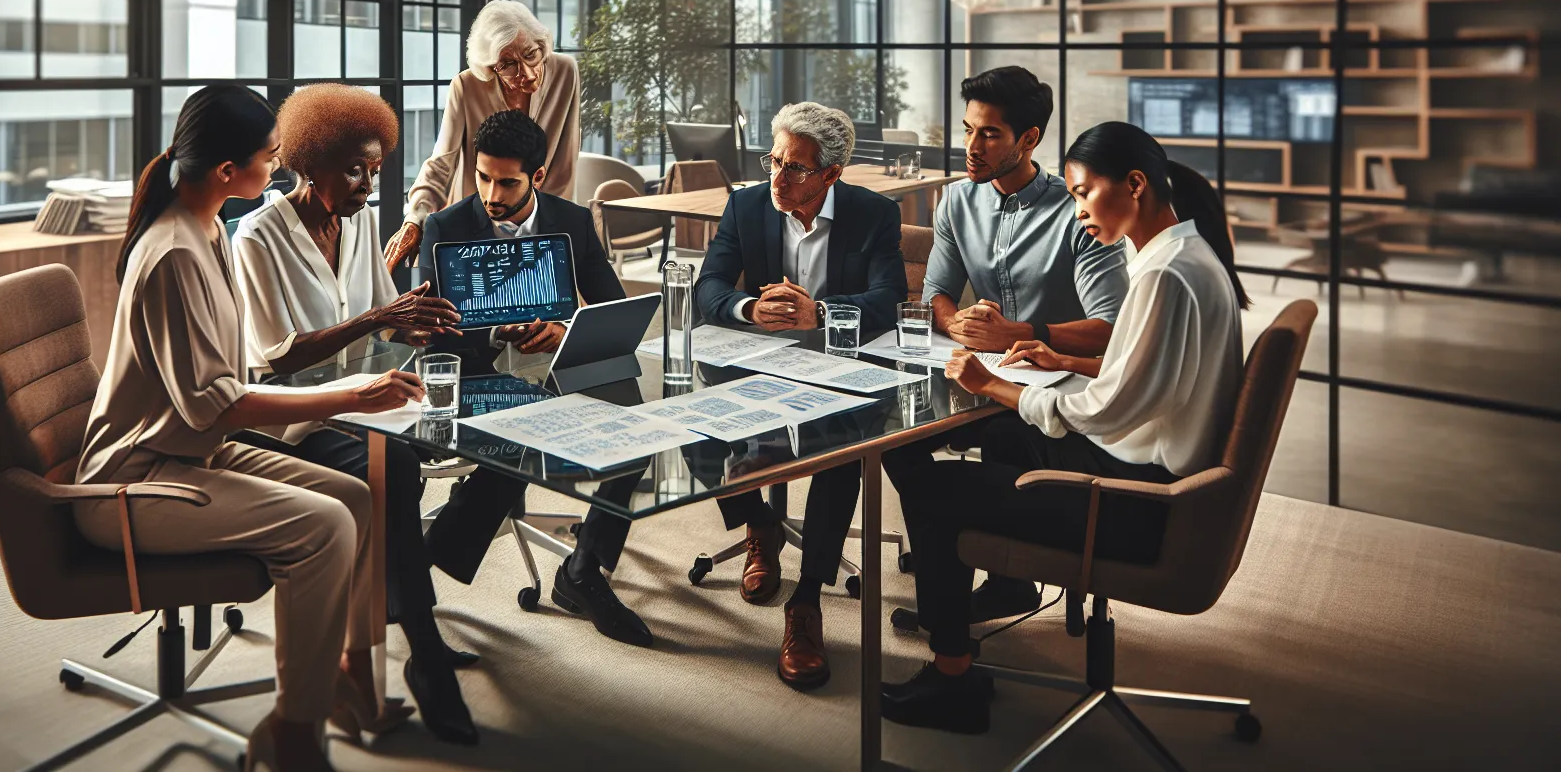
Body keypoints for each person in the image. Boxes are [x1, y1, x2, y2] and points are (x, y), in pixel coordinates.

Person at [72, 84, 426, 772]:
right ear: (230, 172)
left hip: (193, 454)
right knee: (324, 528)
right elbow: (220, 404)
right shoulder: (175, 250)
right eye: (270, 156)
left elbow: (215, 402)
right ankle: (292, 734)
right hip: (135, 477)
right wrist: (350, 393)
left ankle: (336, 684)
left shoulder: (203, 225)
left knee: (356, 498)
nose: (278, 165)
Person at [881, 121, 1249, 735]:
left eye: (1083, 193)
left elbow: (1108, 410)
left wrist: (993, 385)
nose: (1077, 211)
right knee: (1001, 437)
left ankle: (951, 683)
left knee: (932, 490)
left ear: (1134, 184)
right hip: (1156, 476)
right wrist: (1063, 361)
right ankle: (1006, 585)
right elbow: (1147, 370)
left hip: (1139, 502)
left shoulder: (1163, 276)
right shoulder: (1184, 254)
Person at [230, 83, 479, 746]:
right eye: (353, 170)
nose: (368, 183)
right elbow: (275, 357)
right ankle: (425, 653)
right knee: (396, 469)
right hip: (293, 421)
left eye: (375, 168)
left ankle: (389, 627)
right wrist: (379, 319)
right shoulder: (256, 237)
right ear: (307, 165)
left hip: (366, 404)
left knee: (456, 437)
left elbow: (384, 315)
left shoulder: (362, 220)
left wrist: (417, 326)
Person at [895, 66, 1130, 625]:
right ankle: (957, 555)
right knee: (898, 441)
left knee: (1001, 439)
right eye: (968, 130)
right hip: (981, 375)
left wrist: (1021, 333)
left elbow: (1113, 326)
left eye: (989, 134)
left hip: (1057, 385)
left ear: (1029, 139)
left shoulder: (1077, 211)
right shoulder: (956, 202)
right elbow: (937, 295)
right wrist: (959, 326)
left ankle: (987, 577)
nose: (971, 147)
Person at [415, 110, 654, 649]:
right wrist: (497, 328)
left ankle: (583, 570)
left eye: (507, 181)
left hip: (555, 366)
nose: (491, 193)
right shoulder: (445, 227)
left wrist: (563, 328)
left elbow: (613, 308)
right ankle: (425, 561)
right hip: (477, 373)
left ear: (538, 177)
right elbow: (433, 338)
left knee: (638, 427)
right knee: (527, 430)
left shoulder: (571, 221)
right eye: (482, 177)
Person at [692, 101, 907, 691]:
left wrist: (824, 312)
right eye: (774, 161)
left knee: (841, 454)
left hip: (840, 368)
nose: (777, 179)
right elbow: (709, 284)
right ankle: (759, 524)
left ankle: (806, 601)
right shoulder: (748, 203)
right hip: (759, 361)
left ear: (832, 174)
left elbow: (889, 296)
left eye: (794, 169)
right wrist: (747, 307)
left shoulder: (874, 213)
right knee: (693, 428)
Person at [384, 0, 581, 270]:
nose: (525, 72)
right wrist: (415, 218)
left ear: (542, 45)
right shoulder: (466, 86)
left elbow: (564, 162)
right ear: (491, 67)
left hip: (540, 226)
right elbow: (443, 160)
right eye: (508, 64)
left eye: (531, 54)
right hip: (476, 227)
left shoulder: (566, 72)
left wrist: (549, 232)